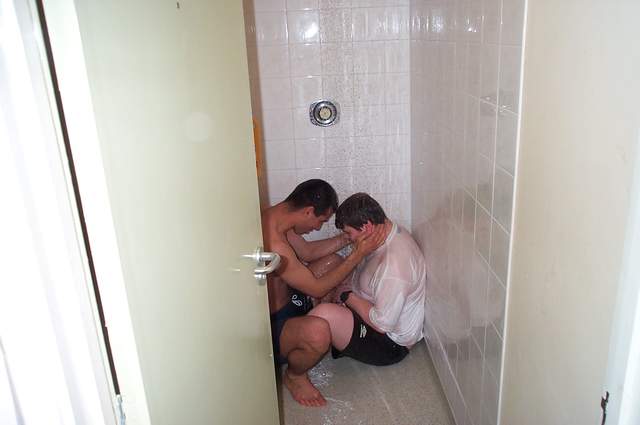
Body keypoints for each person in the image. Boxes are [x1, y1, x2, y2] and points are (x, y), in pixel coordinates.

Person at [261, 180, 386, 407]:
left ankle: (308, 334)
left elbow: (308, 253)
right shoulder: (274, 243)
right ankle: (295, 375)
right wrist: (358, 254)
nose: (318, 228)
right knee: (319, 332)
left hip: (291, 301)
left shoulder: (276, 218)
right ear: (308, 211)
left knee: (332, 262)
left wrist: (349, 237)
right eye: (320, 221)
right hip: (272, 327)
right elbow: (316, 289)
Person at [307, 193, 426, 367]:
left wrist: (347, 296)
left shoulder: (395, 267)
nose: (348, 238)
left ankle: (303, 350)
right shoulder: (386, 232)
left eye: (349, 233)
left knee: (323, 314)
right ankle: (318, 329)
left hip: (389, 342)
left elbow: (382, 324)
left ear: (367, 227)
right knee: (333, 263)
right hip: (369, 306)